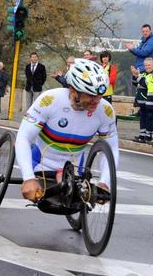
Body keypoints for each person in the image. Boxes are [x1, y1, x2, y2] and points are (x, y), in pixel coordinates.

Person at [16, 58, 119, 202]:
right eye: (90, 95)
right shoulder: (50, 100)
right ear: (73, 90)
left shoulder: (105, 110)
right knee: (45, 202)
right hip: (41, 165)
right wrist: (28, 178)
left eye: (100, 95)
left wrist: (105, 183)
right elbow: (23, 137)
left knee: (71, 204)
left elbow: (112, 149)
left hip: (75, 169)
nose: (96, 100)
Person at [131, 58, 153, 143]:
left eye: (149, 65)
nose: (147, 67)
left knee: (149, 119)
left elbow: (145, 83)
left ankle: (148, 136)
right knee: (142, 119)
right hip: (141, 101)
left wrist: (138, 76)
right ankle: (142, 135)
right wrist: (134, 75)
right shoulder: (143, 73)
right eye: (146, 65)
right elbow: (135, 83)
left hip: (149, 100)